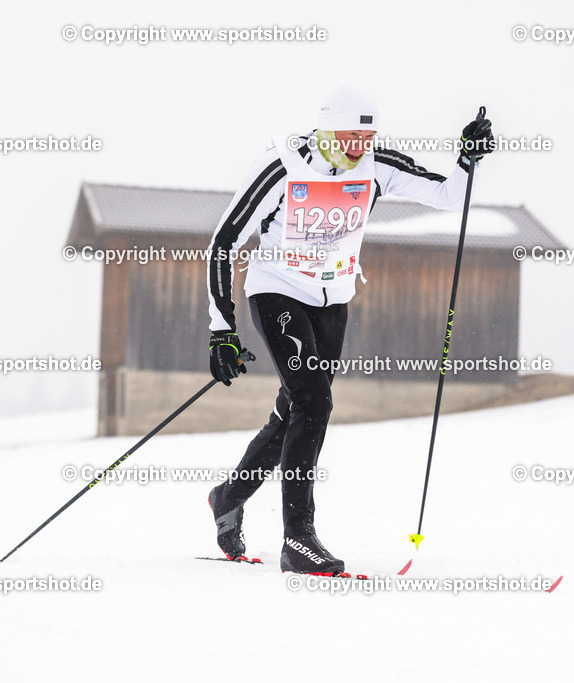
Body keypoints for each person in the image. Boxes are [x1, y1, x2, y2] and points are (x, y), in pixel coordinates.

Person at [204, 83, 493, 574]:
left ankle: (228, 496)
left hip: (333, 299)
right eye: (347, 137)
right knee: (314, 402)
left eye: (366, 138)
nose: (358, 147)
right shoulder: (283, 166)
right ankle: (299, 539)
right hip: (277, 290)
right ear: (324, 129)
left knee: (296, 407)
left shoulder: (376, 165)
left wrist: (467, 160)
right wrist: (222, 330)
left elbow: (448, 197)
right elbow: (224, 241)